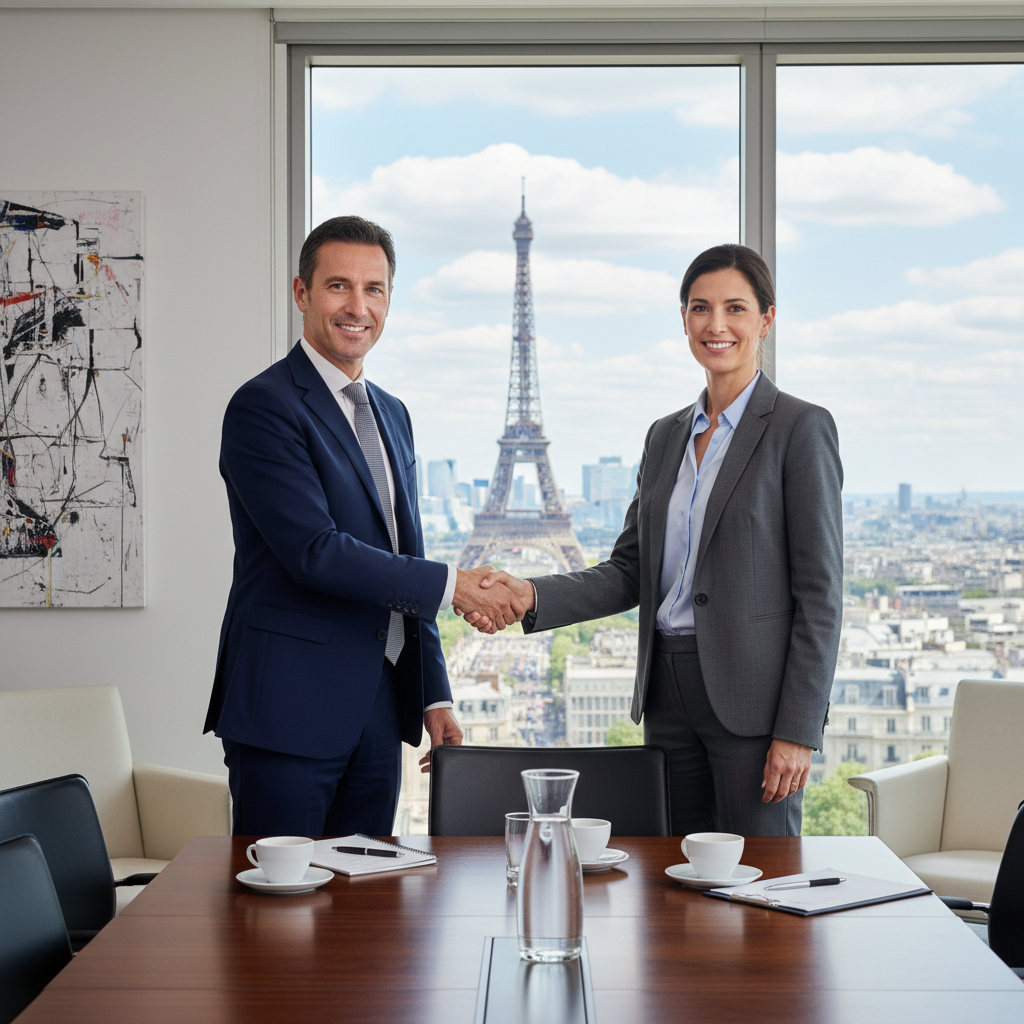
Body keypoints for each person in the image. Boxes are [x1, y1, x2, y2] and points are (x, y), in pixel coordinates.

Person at [470, 244, 843, 836]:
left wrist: (798, 729)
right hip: (666, 694)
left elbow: (821, 595)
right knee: (673, 881)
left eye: (735, 309)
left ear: (767, 319)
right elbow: (630, 571)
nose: (716, 325)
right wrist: (529, 595)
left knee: (762, 880)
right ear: (684, 318)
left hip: (751, 702)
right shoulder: (665, 436)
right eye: (700, 308)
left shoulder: (800, 428)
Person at [205, 216, 525, 837]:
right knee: (281, 921)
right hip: (288, 709)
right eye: (338, 287)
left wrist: (433, 693)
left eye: (374, 289)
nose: (358, 307)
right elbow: (315, 552)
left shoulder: (392, 413)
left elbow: (406, 552)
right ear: (301, 293)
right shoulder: (263, 406)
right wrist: (456, 584)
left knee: (367, 916)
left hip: (379, 711)